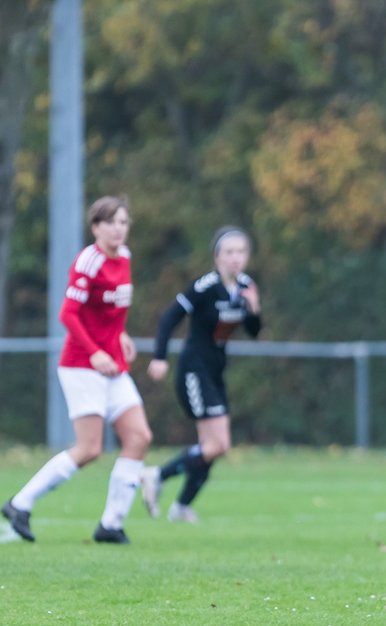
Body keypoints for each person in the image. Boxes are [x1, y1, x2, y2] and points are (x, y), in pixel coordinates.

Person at [2, 196, 153, 544]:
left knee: (139, 438)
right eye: (111, 222)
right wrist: (97, 351)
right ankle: (19, 503)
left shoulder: (125, 257)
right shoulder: (89, 260)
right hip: (82, 365)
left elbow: (110, 310)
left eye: (124, 222)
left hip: (112, 363)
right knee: (89, 449)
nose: (119, 228)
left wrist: (122, 335)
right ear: (96, 227)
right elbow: (68, 314)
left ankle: (110, 525)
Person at [140, 227, 261, 522]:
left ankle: (181, 507)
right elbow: (170, 317)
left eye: (241, 252)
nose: (235, 258)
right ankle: (157, 475)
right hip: (194, 370)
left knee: (211, 448)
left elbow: (254, 331)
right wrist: (159, 357)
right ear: (217, 256)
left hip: (215, 372)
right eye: (229, 252)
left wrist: (254, 308)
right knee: (218, 445)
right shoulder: (205, 286)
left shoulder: (245, 286)